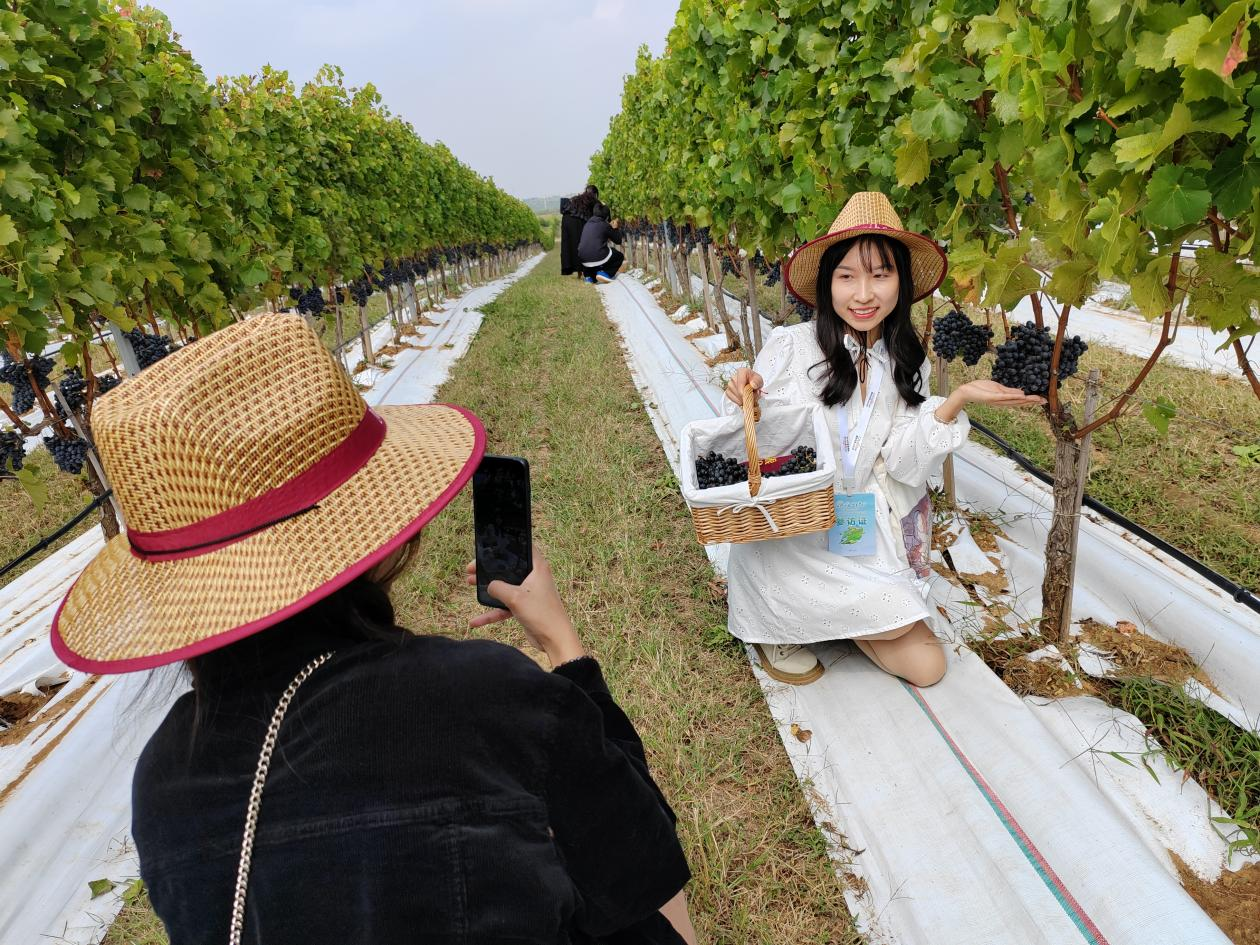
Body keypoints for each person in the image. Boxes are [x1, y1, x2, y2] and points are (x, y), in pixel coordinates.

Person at [51, 313, 697, 944]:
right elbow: (643, 867)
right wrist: (564, 647)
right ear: (380, 535)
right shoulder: (483, 697)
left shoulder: (163, 780)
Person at [721, 191, 1045, 688]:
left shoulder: (898, 363)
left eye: (880, 274)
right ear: (828, 283)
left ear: (902, 282)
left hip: (858, 531)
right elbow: (752, 445)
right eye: (847, 276)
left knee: (928, 667)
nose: (863, 293)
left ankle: (848, 619)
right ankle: (779, 623)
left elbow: (901, 463)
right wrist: (749, 395)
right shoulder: (791, 347)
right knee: (905, 650)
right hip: (795, 535)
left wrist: (954, 399)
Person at [578, 202, 625, 284]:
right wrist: (615, 228)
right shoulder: (605, 225)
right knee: (619, 256)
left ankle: (589, 277)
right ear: (607, 216)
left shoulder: (587, 224)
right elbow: (618, 241)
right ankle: (605, 273)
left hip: (583, 260)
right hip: (598, 257)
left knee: (591, 253)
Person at [562, 184, 599, 278]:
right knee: (583, 244)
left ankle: (578, 272)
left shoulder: (579, 197)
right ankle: (586, 272)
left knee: (571, 245)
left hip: (566, 218)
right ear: (595, 193)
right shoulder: (593, 199)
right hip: (576, 219)